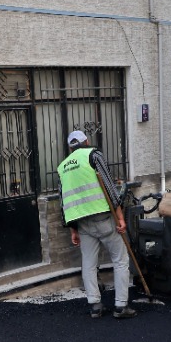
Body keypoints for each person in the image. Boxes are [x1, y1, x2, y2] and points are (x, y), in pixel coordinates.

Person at [57, 129, 135, 319]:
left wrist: (72, 230)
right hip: (103, 217)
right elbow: (109, 187)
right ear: (86, 141)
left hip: (82, 223)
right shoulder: (93, 155)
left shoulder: (62, 167)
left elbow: (63, 201)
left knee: (89, 264)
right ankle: (121, 306)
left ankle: (95, 306)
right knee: (120, 260)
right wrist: (120, 217)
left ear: (70, 148)